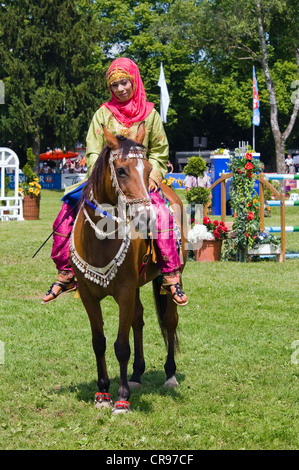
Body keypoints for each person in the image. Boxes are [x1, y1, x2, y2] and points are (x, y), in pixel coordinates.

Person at [42, 57, 188, 306]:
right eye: (114, 85)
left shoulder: (150, 115)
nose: (120, 89)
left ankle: (170, 275)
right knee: (65, 212)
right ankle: (66, 273)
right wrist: (98, 178)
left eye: (124, 83)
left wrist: (153, 175)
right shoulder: (102, 114)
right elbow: (92, 150)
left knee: (163, 214)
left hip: (141, 181)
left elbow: (160, 150)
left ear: (134, 81)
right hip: (106, 181)